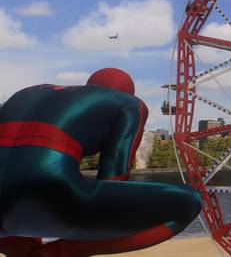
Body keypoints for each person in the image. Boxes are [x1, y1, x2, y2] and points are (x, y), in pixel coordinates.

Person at [0, 68, 201, 257]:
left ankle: (21, 248)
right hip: (53, 199)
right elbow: (114, 175)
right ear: (128, 92)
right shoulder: (130, 104)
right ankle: (57, 253)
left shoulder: (26, 93)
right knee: (188, 203)